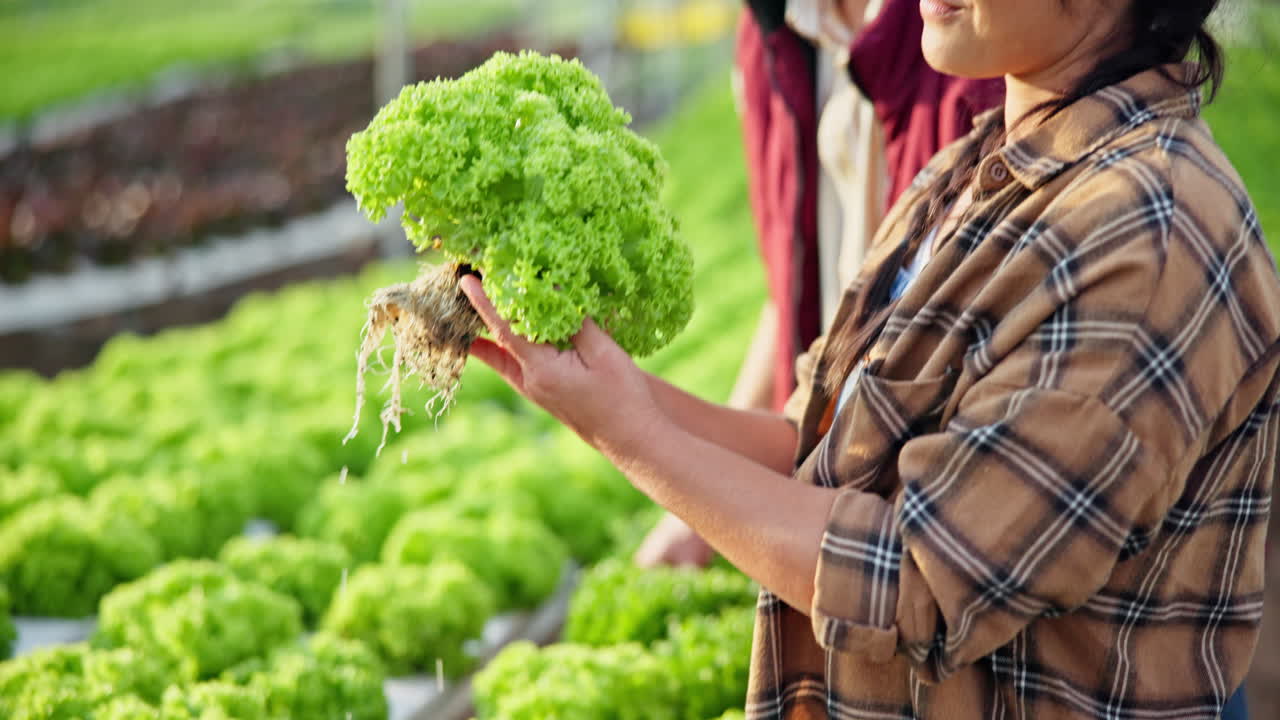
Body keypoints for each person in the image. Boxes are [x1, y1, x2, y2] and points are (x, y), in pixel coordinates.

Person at [461, 0, 1276, 717]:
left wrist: (635, 437)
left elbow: (917, 582)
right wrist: (603, 389)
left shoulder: (1145, 233)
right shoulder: (972, 171)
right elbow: (808, 444)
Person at [635, 0, 1005, 568]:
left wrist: (641, 436)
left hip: (905, 528)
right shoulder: (771, 32)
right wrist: (699, 492)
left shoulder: (969, 35)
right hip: (816, 501)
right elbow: (793, 298)